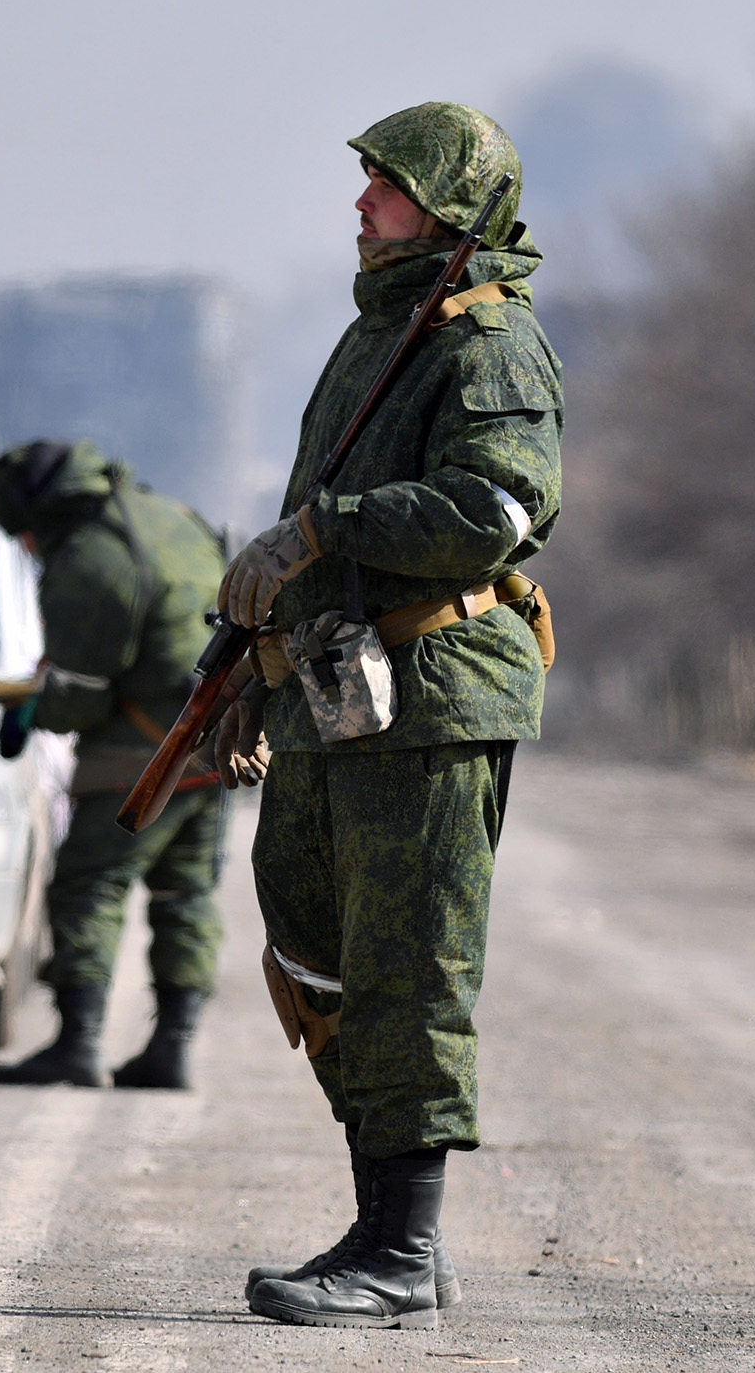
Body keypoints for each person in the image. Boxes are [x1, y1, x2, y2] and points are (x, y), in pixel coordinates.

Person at [213, 102, 561, 1329]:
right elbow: (319, 522)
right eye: (365, 182)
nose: (360, 204)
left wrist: (324, 530)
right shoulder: (383, 333)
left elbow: (498, 506)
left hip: (432, 695)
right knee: (310, 941)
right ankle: (383, 1229)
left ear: (451, 212)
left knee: (408, 966)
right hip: (335, 698)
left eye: (388, 185)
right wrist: (249, 668)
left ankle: (398, 1252)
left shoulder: (485, 344)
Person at [0, 439, 227, 1090]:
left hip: (137, 758)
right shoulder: (166, 516)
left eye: (25, 538)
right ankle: (172, 1049)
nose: (29, 551)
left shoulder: (91, 553)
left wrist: (34, 707)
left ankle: (78, 1042)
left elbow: (85, 691)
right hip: (211, 746)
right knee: (185, 895)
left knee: (88, 887)